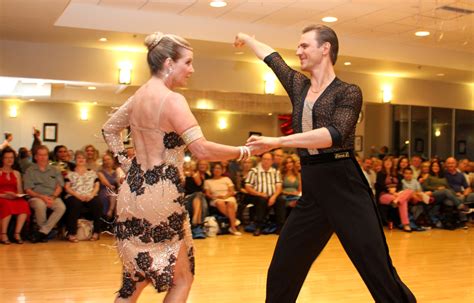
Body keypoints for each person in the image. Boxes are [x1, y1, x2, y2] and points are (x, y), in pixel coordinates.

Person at [235, 25, 416, 302]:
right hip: (314, 190)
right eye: (298, 46)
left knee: (377, 270)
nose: (298, 51)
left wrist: (278, 142)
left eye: (304, 46)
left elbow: (333, 135)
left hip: (346, 188)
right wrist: (249, 39)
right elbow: (273, 59)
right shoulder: (299, 87)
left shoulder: (348, 92)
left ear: (325, 48)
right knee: (283, 268)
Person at [102, 32, 252, 302]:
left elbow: (109, 129)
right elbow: (201, 149)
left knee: (133, 281)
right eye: (188, 63)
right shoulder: (172, 100)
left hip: (132, 194)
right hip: (161, 196)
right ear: (169, 63)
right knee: (182, 279)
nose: (192, 70)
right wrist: (243, 151)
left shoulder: (138, 97)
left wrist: (128, 165)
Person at [24, 145, 66, 243]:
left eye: (45, 155)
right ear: (36, 157)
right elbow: (28, 190)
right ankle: (45, 232)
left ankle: (42, 233)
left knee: (61, 207)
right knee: (40, 205)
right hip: (36, 196)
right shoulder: (30, 170)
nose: (43, 157)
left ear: (48, 156)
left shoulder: (55, 170)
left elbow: (60, 186)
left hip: (52, 196)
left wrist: (53, 197)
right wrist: (42, 197)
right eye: (40, 155)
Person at [64, 151, 102, 242]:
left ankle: (96, 232)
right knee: (75, 203)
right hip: (75, 195)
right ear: (75, 160)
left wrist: (91, 195)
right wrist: (78, 195)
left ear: (86, 160)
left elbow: (97, 186)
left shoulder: (92, 172)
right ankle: (72, 233)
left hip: (90, 195)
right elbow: (67, 187)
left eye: (83, 158)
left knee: (98, 203)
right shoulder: (70, 173)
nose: (81, 160)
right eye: (79, 158)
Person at [245, 152, 283, 236]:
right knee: (262, 200)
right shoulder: (254, 171)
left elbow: (279, 187)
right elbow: (248, 187)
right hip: (258, 196)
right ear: (261, 160)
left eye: (268, 159)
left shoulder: (275, 172)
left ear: (272, 161)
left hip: (272, 196)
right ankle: (258, 227)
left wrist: (274, 197)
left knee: (281, 200)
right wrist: (259, 194)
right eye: (264, 159)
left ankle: (280, 227)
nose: (266, 161)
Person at [0, 148, 30, 244]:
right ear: (2, 159)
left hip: (13, 197)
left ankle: (17, 233)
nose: (9, 160)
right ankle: (3, 234)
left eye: (11, 157)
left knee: (24, 205)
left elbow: (20, 190)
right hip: (1, 197)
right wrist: (5, 195)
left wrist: (16, 195)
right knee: (7, 205)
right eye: (6, 158)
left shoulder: (16, 173)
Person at [204, 163, 241, 235]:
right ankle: (234, 222)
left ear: (222, 170)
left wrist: (225, 196)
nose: (217, 170)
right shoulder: (208, 181)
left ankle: (232, 227)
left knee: (230, 203)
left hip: (228, 196)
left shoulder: (226, 179)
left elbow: (232, 191)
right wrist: (215, 197)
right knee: (219, 202)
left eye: (219, 168)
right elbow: (208, 194)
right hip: (216, 198)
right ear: (212, 170)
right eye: (215, 168)